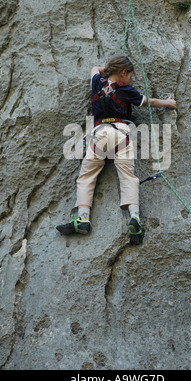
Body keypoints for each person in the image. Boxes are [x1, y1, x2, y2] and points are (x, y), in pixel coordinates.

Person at [56, 55, 176, 245]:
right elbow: (148, 102)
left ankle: (83, 218)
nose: (131, 79)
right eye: (130, 75)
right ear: (123, 72)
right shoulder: (125, 89)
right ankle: (134, 217)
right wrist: (168, 103)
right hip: (121, 134)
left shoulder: (97, 82)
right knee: (128, 176)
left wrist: (108, 69)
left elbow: (94, 68)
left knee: (86, 176)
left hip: (100, 134)